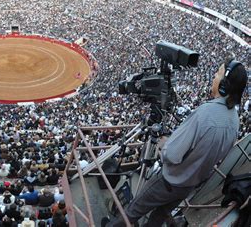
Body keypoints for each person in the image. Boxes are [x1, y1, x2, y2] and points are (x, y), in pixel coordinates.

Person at [105, 59, 248, 226]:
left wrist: (164, 143)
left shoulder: (205, 113)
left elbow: (172, 154)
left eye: (218, 74)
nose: (214, 77)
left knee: (134, 210)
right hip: (189, 186)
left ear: (225, 85)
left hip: (169, 180)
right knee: (159, 216)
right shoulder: (235, 121)